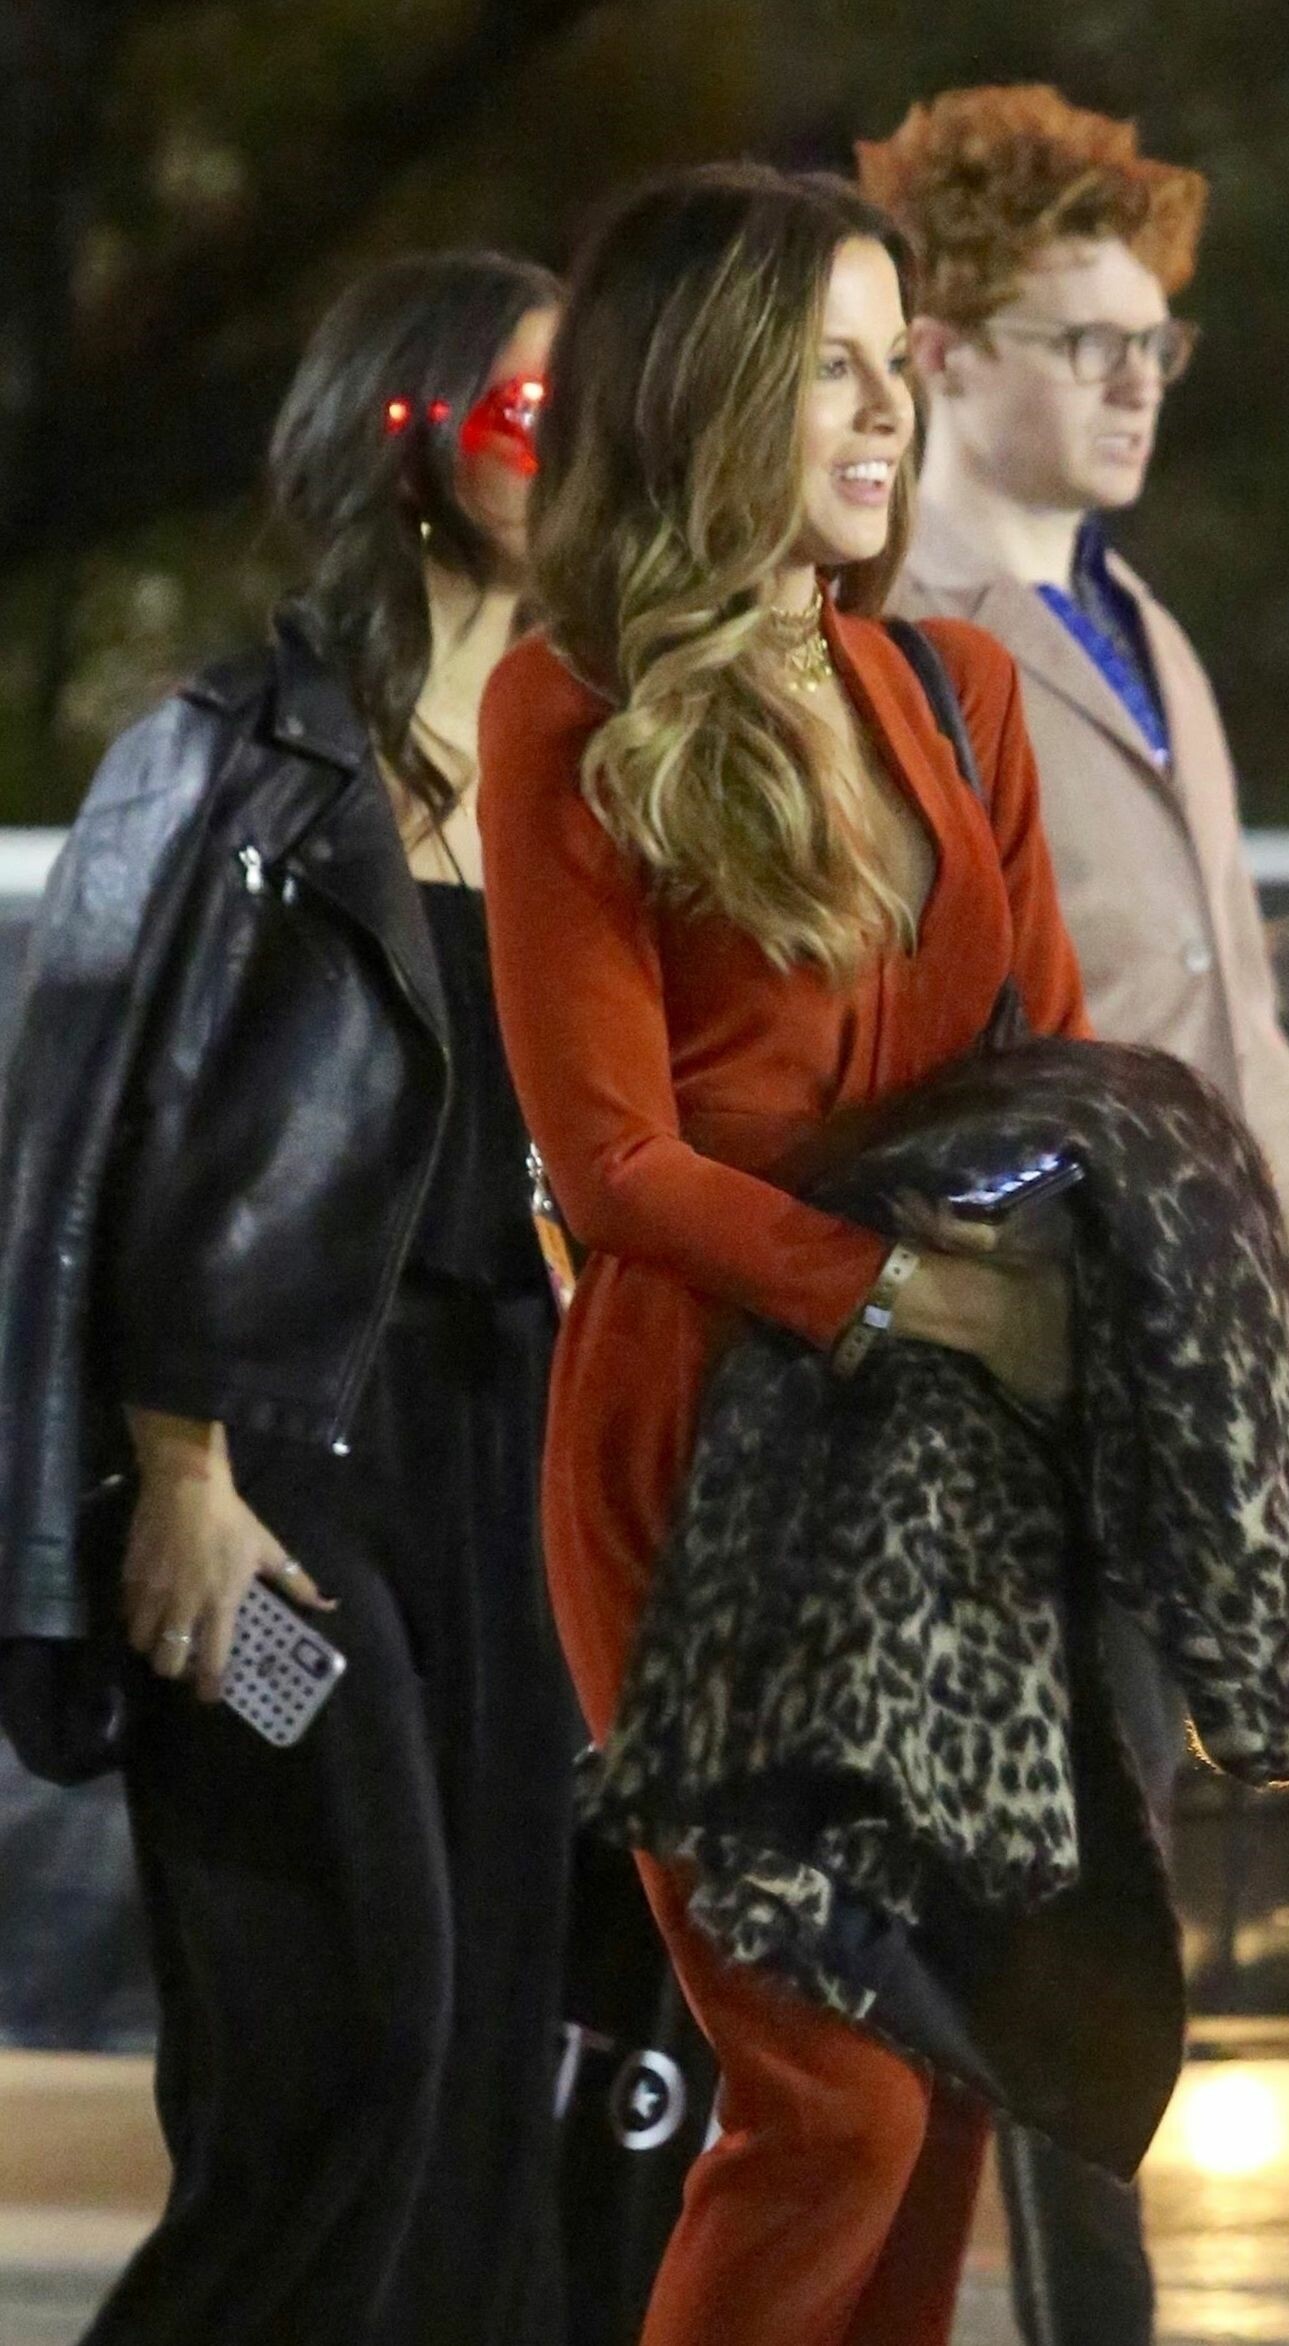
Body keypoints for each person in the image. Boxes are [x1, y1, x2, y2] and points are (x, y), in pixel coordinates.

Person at [860, 81, 1289, 2344]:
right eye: (1089, 342)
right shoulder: (894, 627)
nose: (1139, 382)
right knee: (1028, 1917)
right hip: (980, 1378)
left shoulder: (1140, 627)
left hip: (1150, 1367)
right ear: (946, 352)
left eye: (1158, 342)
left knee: (1081, 1905)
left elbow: (1241, 1033)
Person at [478, 163, 1091, 2346]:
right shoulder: (565, 704)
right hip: (693, 1446)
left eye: (891, 363)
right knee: (830, 2093)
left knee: (944, 2071)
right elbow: (612, 1155)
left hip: (945, 1473)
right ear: (703, 394)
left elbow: (1054, 1076)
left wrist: (1073, 1290)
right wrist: (906, 1289)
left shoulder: (959, 694)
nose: (886, 412)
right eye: (828, 367)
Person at [0, 252, 574, 2346]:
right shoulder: (223, 753)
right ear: (405, 437)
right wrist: (169, 1476)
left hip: (524, 1460)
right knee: (348, 2039)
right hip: (272, 1483)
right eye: (535, 417)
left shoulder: (595, 762)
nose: (585, 456)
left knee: (496, 2054)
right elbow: (85, 1147)